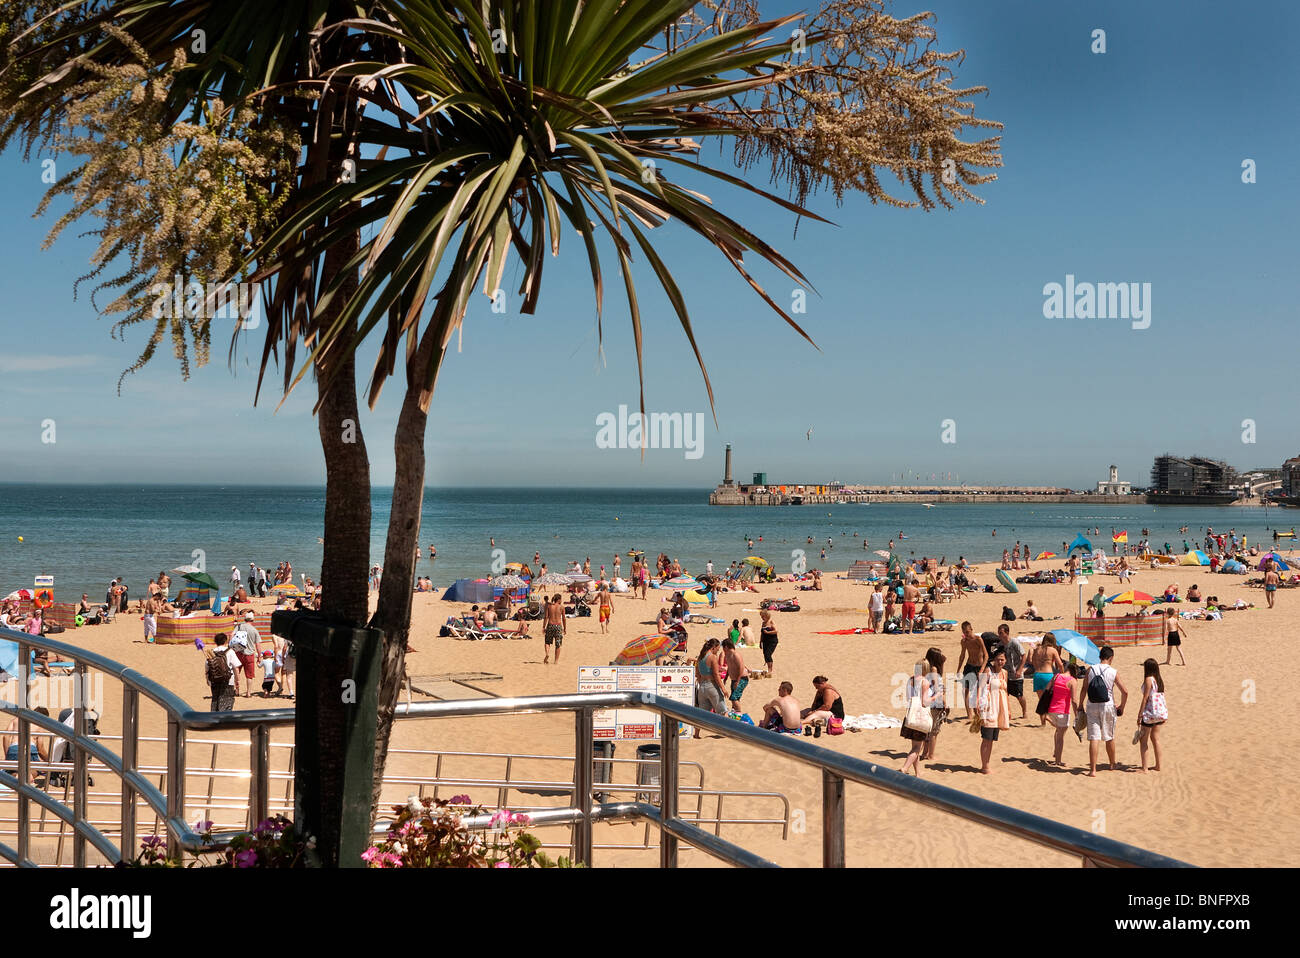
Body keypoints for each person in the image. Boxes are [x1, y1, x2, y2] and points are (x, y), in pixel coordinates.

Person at [1078, 646, 1128, 777]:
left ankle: (1092, 770)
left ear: (1100, 656)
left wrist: (1080, 705)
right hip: (1107, 706)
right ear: (1111, 658)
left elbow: (1084, 689)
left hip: (1092, 705)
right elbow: (1125, 691)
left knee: (1094, 738)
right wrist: (1122, 706)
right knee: (1109, 736)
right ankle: (1112, 764)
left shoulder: (1090, 670)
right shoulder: (1113, 672)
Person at [976, 649, 1010, 774]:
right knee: (987, 737)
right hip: (989, 706)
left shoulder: (1005, 673)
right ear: (993, 660)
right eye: (998, 659)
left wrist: (1009, 710)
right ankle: (984, 766)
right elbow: (980, 687)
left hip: (1000, 708)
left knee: (992, 739)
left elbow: (1006, 692)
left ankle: (987, 764)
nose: (1000, 662)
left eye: (1002, 659)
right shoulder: (988, 671)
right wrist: (978, 703)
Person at [900, 660, 934, 775]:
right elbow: (924, 702)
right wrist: (935, 696)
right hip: (920, 718)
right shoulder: (925, 682)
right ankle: (905, 768)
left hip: (911, 715)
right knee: (916, 748)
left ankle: (918, 773)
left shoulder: (911, 680)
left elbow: (908, 697)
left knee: (914, 746)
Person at [1044, 664, 1082, 766]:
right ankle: (1058, 761)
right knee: (1061, 736)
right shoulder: (1072, 681)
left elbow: (1046, 689)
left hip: (1052, 709)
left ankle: (1056, 753)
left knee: (1058, 731)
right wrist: (1077, 714)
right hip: (1062, 711)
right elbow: (1074, 700)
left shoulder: (1056, 676)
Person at [1137, 659, 1167, 772]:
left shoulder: (1149, 679)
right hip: (1159, 712)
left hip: (1150, 713)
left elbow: (1145, 698)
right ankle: (1158, 765)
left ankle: (1145, 768)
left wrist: (1140, 714)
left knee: (1143, 740)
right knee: (1156, 738)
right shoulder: (1159, 680)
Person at [693, 639, 727, 736]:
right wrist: (723, 689)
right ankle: (727, 733)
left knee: (702, 714)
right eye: (717, 648)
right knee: (723, 710)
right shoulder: (712, 657)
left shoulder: (700, 657)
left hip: (702, 687)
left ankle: (696, 734)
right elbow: (716, 675)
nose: (718, 651)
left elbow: (697, 674)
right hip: (712, 686)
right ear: (713, 647)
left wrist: (701, 682)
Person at [919, 648, 948, 762]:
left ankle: (925, 753)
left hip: (928, 701)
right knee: (934, 730)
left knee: (928, 729)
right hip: (935, 702)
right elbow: (936, 686)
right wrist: (943, 699)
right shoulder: (934, 669)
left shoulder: (926, 668)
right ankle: (931, 755)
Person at [1028, 633, 1064, 726]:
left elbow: (1033, 662)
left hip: (1037, 675)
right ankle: (1049, 718)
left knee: (1041, 701)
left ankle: (1043, 723)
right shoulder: (1052, 650)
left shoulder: (1037, 649)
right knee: (1050, 700)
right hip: (1048, 675)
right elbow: (1060, 664)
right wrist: (1062, 674)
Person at [955, 621, 987, 720]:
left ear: (972, 630)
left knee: (979, 692)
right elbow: (962, 655)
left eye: (968, 632)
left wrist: (982, 669)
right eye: (964, 632)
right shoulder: (964, 641)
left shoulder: (978, 639)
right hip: (969, 666)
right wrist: (958, 669)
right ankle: (969, 714)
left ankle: (978, 712)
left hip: (979, 667)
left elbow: (986, 655)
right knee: (966, 690)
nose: (966, 634)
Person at [998, 624, 1027, 719]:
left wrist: (1020, 669)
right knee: (1004, 694)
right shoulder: (1000, 645)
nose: (999, 635)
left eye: (1001, 633)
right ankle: (1006, 713)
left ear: (1006, 633)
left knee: (1019, 695)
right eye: (999, 633)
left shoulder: (1014, 642)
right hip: (1005, 674)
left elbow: (1023, 656)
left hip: (1016, 674)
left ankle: (1024, 711)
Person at [229, 612, 260, 698]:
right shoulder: (254, 630)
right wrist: (260, 656)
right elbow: (258, 645)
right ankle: (248, 693)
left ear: (245, 619)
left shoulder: (239, 626)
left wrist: (231, 646)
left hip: (238, 652)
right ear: (253, 620)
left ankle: (237, 691)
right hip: (249, 654)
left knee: (237, 672)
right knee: (249, 675)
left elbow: (231, 634)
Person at [206, 633, 239, 712]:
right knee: (227, 701)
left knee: (215, 700)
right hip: (228, 680)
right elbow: (236, 667)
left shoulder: (211, 652)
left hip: (214, 679)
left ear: (215, 642)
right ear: (226, 641)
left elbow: (207, 667)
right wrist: (237, 681)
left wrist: (207, 680)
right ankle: (225, 722)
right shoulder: (230, 652)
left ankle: (215, 720)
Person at [721, 639, 750, 711]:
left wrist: (738, 681)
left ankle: (739, 714)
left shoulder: (736, 655)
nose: (723, 649)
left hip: (741, 679)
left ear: (726, 647)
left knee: (733, 698)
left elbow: (741, 667)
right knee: (736, 698)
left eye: (723, 647)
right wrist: (726, 678)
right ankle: (736, 713)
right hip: (734, 679)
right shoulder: (727, 655)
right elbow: (729, 667)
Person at [542, 593, 566, 665]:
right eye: (561, 599)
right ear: (558, 599)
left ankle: (547, 653)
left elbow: (546, 617)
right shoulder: (561, 607)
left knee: (547, 642)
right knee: (558, 644)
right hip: (558, 626)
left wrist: (544, 627)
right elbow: (564, 619)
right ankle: (556, 661)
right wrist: (565, 628)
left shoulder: (549, 606)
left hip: (550, 625)